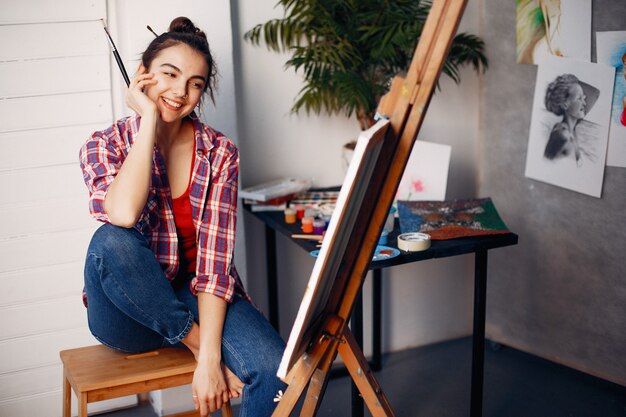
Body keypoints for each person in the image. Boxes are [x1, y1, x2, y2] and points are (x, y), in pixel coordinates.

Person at [79, 17, 286, 417]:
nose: (180, 92)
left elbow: (214, 262)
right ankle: (190, 339)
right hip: (127, 313)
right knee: (110, 242)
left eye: (196, 83)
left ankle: (198, 342)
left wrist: (212, 358)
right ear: (142, 76)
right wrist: (148, 124)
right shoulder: (104, 144)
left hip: (196, 294)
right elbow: (121, 214)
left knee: (273, 370)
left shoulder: (220, 153)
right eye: (169, 75)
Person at [543, 73, 590, 165]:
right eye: (579, 98)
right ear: (565, 104)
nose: (584, 103)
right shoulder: (562, 133)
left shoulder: (572, 130)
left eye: (584, 97)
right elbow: (547, 164)